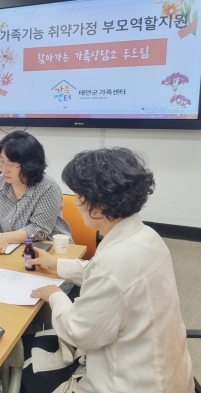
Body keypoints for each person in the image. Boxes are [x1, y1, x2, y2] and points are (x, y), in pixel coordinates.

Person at [26, 148, 193, 392]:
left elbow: (79, 332)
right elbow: (104, 275)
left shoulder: (114, 263)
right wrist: (56, 264)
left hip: (130, 384)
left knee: (29, 370)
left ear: (98, 205)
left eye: (79, 195)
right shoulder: (147, 236)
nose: (76, 202)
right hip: (167, 372)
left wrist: (56, 296)